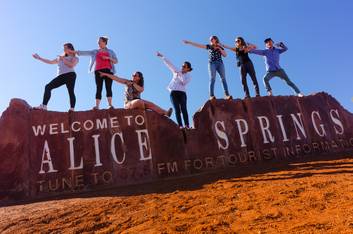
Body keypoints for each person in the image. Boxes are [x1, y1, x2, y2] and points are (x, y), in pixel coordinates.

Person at [99, 71, 173, 117]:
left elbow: (141, 90)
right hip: (128, 104)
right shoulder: (127, 82)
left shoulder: (139, 85)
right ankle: (143, 112)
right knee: (140, 102)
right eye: (133, 75)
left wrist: (133, 84)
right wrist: (105, 74)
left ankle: (166, 113)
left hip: (138, 102)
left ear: (139, 78)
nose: (133, 76)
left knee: (151, 104)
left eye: (135, 75)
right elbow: (116, 78)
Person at [74, 36, 118, 109]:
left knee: (108, 87)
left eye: (100, 41)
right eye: (98, 42)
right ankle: (97, 106)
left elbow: (116, 61)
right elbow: (85, 52)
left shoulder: (110, 51)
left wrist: (108, 58)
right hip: (98, 71)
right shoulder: (95, 51)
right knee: (99, 88)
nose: (98, 43)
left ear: (104, 42)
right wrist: (74, 52)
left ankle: (110, 105)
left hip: (109, 71)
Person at [32, 43, 79, 111]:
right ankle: (44, 106)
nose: (64, 49)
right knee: (48, 87)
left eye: (65, 48)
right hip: (61, 76)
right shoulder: (60, 58)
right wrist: (39, 58)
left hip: (70, 75)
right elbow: (50, 62)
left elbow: (71, 65)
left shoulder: (75, 58)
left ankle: (72, 108)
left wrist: (63, 59)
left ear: (70, 49)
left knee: (71, 91)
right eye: (64, 48)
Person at [183, 36, 232, 100]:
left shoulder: (219, 46)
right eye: (210, 39)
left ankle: (226, 95)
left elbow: (225, 55)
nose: (210, 40)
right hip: (212, 63)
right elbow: (199, 45)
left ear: (215, 39)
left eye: (212, 39)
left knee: (223, 78)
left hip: (220, 63)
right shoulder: (209, 46)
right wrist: (189, 42)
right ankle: (211, 95)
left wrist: (219, 48)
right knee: (212, 78)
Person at [156, 51, 192, 128]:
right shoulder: (177, 70)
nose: (182, 67)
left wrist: (180, 74)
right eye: (182, 65)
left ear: (188, 69)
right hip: (173, 92)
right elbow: (170, 64)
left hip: (182, 93)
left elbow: (184, 82)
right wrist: (162, 56)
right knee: (177, 109)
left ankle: (187, 125)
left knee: (184, 109)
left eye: (184, 66)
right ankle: (180, 126)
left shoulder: (188, 76)